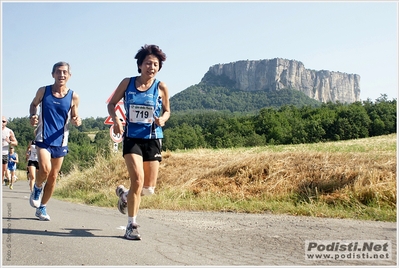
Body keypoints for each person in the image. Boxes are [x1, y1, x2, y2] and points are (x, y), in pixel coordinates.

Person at [107, 44, 170, 240]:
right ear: (140, 65)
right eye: (148, 63)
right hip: (132, 138)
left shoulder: (161, 87)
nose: (152, 67)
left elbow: (167, 110)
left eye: (156, 64)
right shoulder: (128, 83)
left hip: (153, 138)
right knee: (138, 180)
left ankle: (125, 196)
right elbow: (111, 103)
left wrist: (163, 119)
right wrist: (116, 119)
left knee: (149, 189)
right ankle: (131, 225)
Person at [29, 61, 81, 221]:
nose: (62, 75)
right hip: (43, 137)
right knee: (45, 169)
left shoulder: (73, 96)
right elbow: (33, 104)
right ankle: (37, 187)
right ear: (53, 74)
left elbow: (75, 116)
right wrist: (33, 116)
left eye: (65, 72)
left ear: (69, 76)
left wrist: (76, 121)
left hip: (61, 140)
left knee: (53, 176)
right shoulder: (43, 91)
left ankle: (42, 208)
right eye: (58, 72)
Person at [2, 116, 18, 185]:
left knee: (3, 171)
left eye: (4, 121)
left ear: (6, 123)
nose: (2, 123)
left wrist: (9, 142)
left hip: (4, 154)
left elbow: (16, 143)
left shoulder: (9, 131)